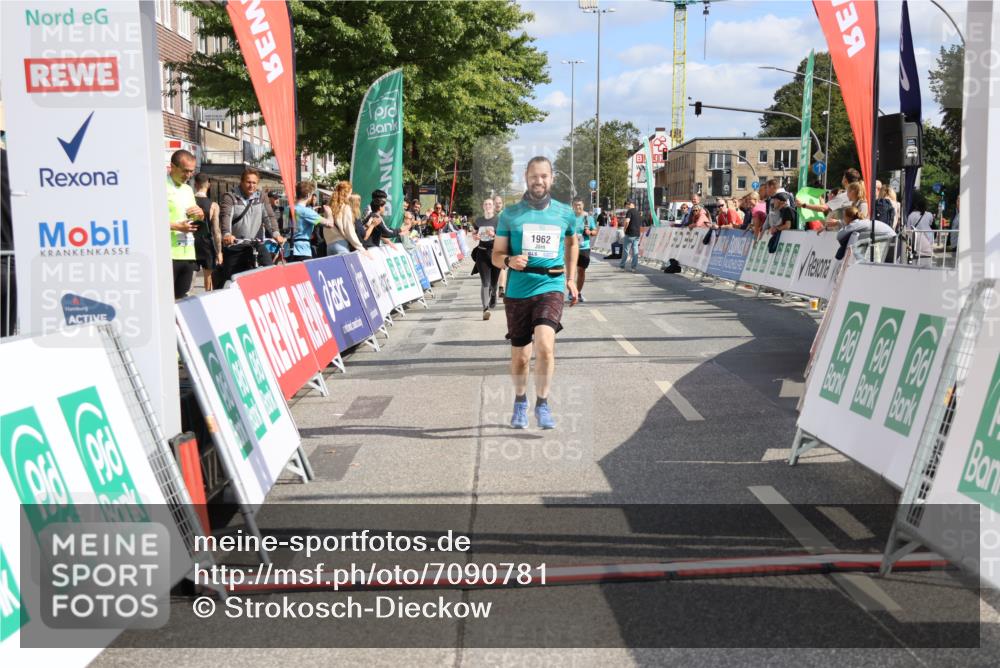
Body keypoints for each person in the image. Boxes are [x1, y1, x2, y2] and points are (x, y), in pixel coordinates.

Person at [492, 156, 579, 430]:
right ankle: (520, 401)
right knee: (520, 357)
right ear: (526, 179)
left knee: (545, 346)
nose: (538, 181)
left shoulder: (565, 213)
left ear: (551, 178)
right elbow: (496, 254)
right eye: (533, 176)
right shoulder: (510, 215)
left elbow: (572, 242)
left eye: (544, 176)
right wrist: (509, 261)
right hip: (518, 289)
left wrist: (571, 277)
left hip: (550, 285)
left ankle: (542, 403)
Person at [218, 167, 285, 284]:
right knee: (232, 280)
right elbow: (226, 216)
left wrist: (276, 234)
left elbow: (268, 216)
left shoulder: (261, 197)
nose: (251, 185)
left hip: (255, 243)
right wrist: (227, 234)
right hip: (236, 244)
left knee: (269, 270)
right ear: (242, 182)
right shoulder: (230, 197)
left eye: (254, 183)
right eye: (248, 182)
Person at [166, 150, 204, 299]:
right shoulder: (159, 187)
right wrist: (177, 227)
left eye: (191, 172)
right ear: (172, 167)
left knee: (182, 302)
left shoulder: (188, 190)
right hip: (168, 254)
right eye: (185, 171)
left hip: (188, 253)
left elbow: (193, 217)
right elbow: (150, 220)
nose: (188, 175)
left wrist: (200, 215)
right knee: (166, 302)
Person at [287, 180, 335, 262]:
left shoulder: (287, 209)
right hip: (302, 250)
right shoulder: (307, 211)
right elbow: (329, 224)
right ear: (308, 195)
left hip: (288, 250)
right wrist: (329, 213)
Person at [193, 173, 223, 292]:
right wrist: (219, 251)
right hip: (207, 244)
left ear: (195, 185)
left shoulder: (189, 202)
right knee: (208, 280)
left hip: (190, 243)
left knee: (190, 281)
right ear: (208, 185)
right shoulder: (213, 205)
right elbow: (216, 230)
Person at [472, 197, 500, 319]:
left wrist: (494, 235)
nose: (488, 206)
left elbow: (504, 237)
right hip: (482, 253)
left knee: (493, 283)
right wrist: (475, 236)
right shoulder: (478, 220)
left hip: (495, 254)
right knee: (485, 283)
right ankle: (485, 309)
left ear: (493, 207)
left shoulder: (499, 221)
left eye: (490, 204)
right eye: (485, 204)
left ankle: (494, 293)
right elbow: (474, 233)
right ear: (483, 207)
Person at [324, 181, 366, 255]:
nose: (350, 196)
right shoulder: (345, 207)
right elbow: (349, 230)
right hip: (341, 245)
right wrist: (361, 248)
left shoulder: (329, 207)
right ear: (346, 193)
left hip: (329, 245)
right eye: (350, 193)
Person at [572, 197, 597, 301]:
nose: (578, 207)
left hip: (584, 247)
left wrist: (590, 233)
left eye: (580, 205)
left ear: (583, 205)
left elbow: (595, 231)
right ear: (572, 206)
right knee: (571, 271)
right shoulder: (569, 218)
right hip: (571, 247)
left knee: (581, 271)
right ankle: (572, 291)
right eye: (576, 205)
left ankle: (577, 292)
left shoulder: (588, 218)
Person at [905, 191, 935, 265]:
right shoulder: (929, 215)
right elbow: (931, 224)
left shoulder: (911, 215)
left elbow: (908, 231)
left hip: (916, 245)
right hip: (928, 244)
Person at [619, 201, 642, 272]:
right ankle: (633, 267)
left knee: (626, 250)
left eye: (626, 206)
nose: (626, 208)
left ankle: (622, 265)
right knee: (635, 250)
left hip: (630, 233)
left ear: (629, 205)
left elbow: (627, 221)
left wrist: (625, 229)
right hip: (637, 234)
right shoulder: (638, 212)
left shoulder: (629, 211)